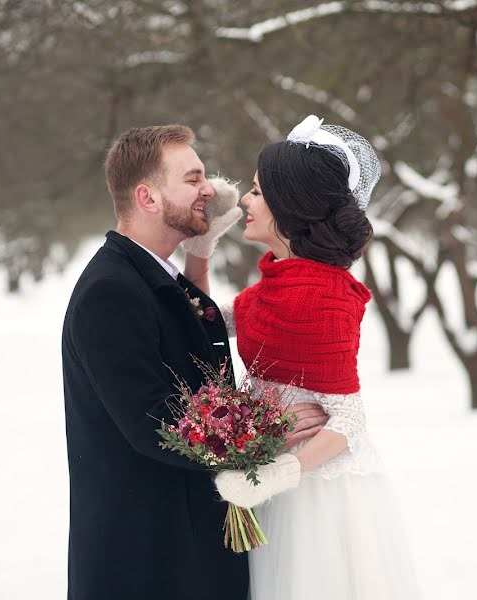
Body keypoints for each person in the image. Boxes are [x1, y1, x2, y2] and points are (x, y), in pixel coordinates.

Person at [61, 124, 326, 600]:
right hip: (148, 559)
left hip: (184, 543)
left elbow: (192, 341)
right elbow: (155, 420)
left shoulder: (149, 276)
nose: (211, 189)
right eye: (192, 178)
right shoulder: (111, 292)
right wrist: (267, 431)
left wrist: (199, 256)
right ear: (147, 197)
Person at [193, 116, 422, 599]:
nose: (246, 202)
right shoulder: (278, 283)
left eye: (256, 191)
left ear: (289, 204)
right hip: (270, 483)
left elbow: (348, 417)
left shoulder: (322, 295)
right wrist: (200, 251)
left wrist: (275, 475)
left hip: (318, 496)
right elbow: (205, 320)